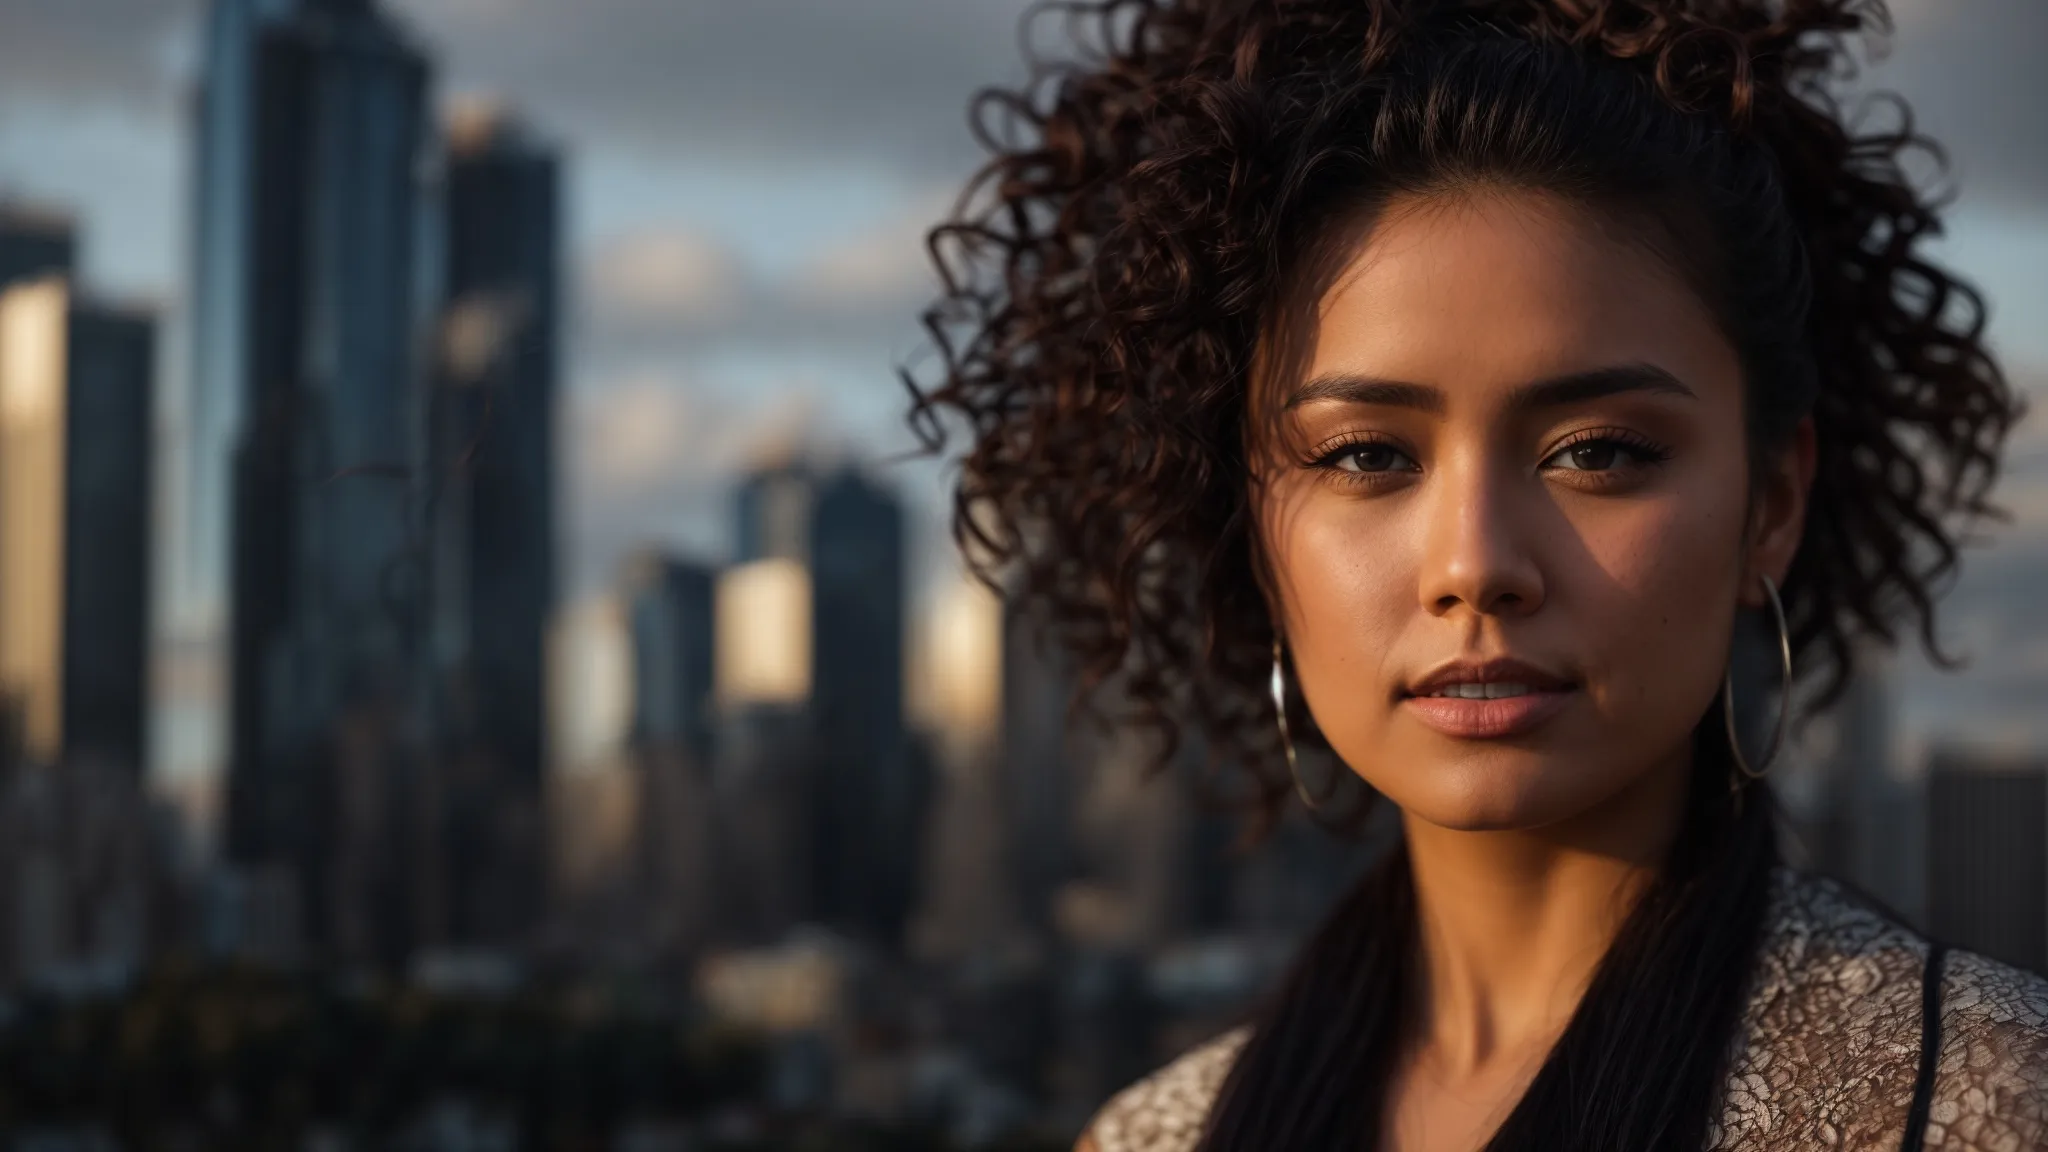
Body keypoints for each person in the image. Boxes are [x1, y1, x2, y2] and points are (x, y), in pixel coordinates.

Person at [905, 0, 2048, 1149]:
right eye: (1365, 455)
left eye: (1596, 452)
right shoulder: (1153, 1136)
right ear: (1248, 523)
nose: (1474, 566)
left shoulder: (1982, 1101)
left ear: (1771, 503)